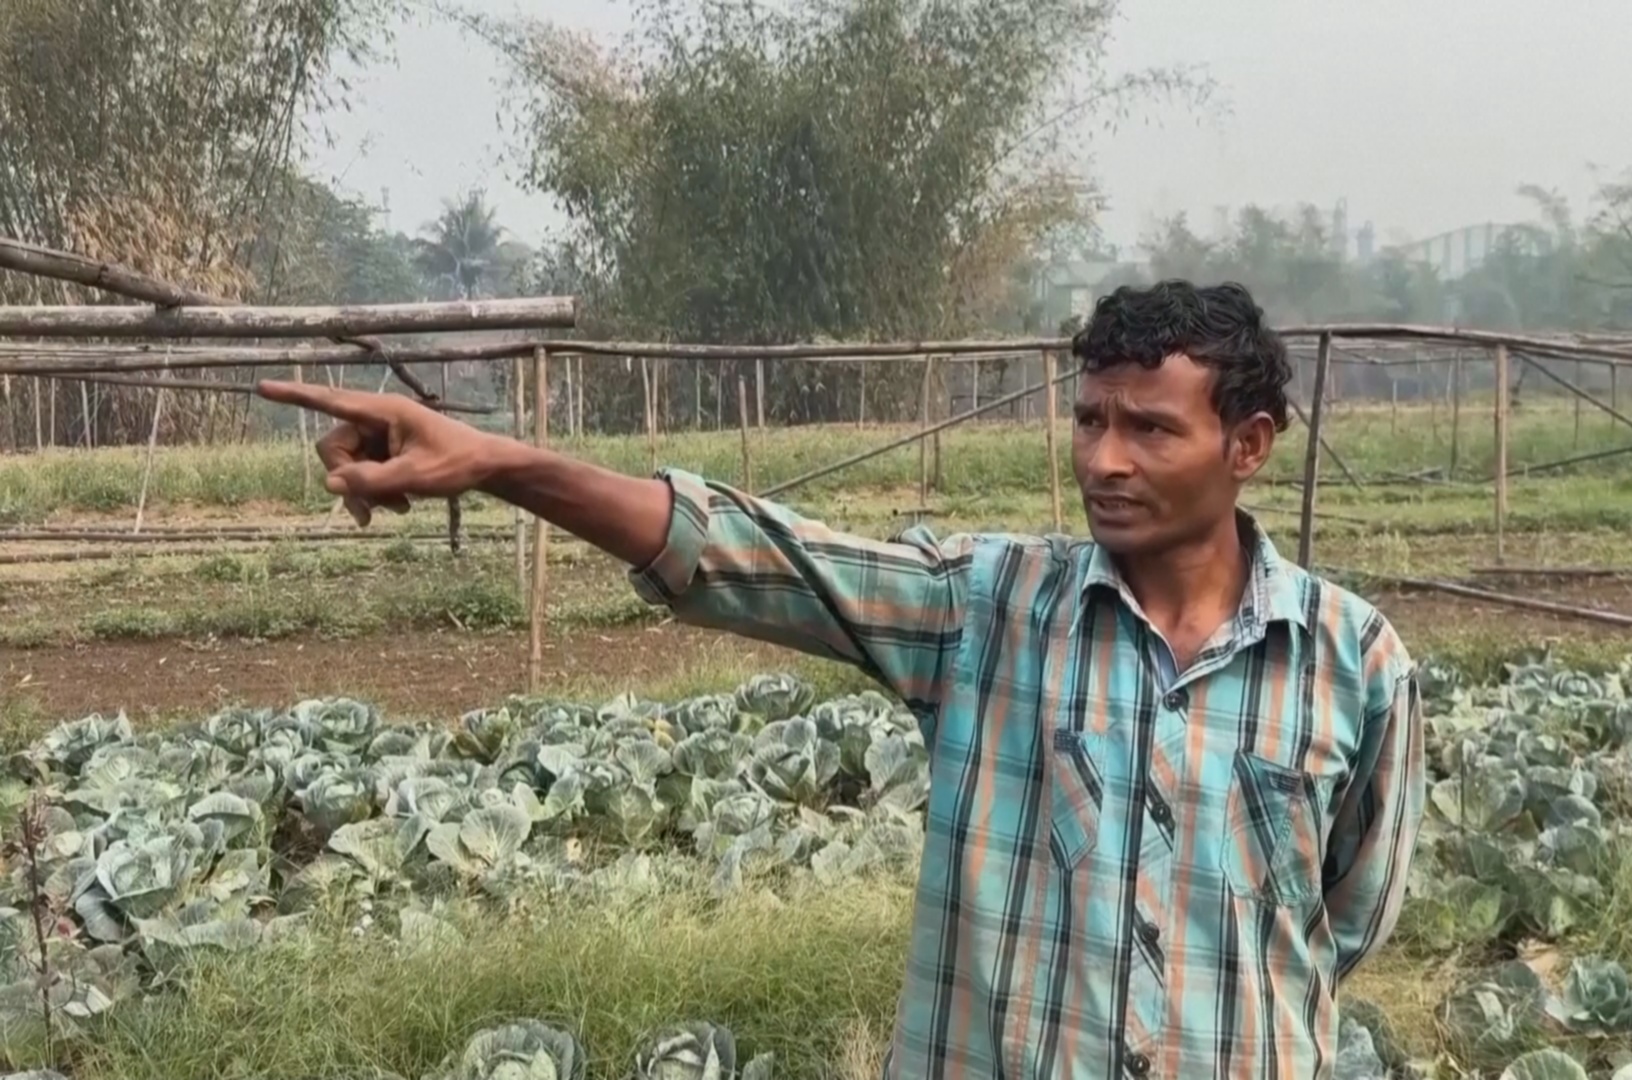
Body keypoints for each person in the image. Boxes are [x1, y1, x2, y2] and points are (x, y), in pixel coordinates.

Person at [259, 279, 1425, 1080]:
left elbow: (1338, 924)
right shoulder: (990, 611)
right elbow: (750, 552)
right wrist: (503, 462)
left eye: (1150, 430)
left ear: (1250, 444)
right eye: (1088, 422)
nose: (1103, 460)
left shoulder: (1352, 661)